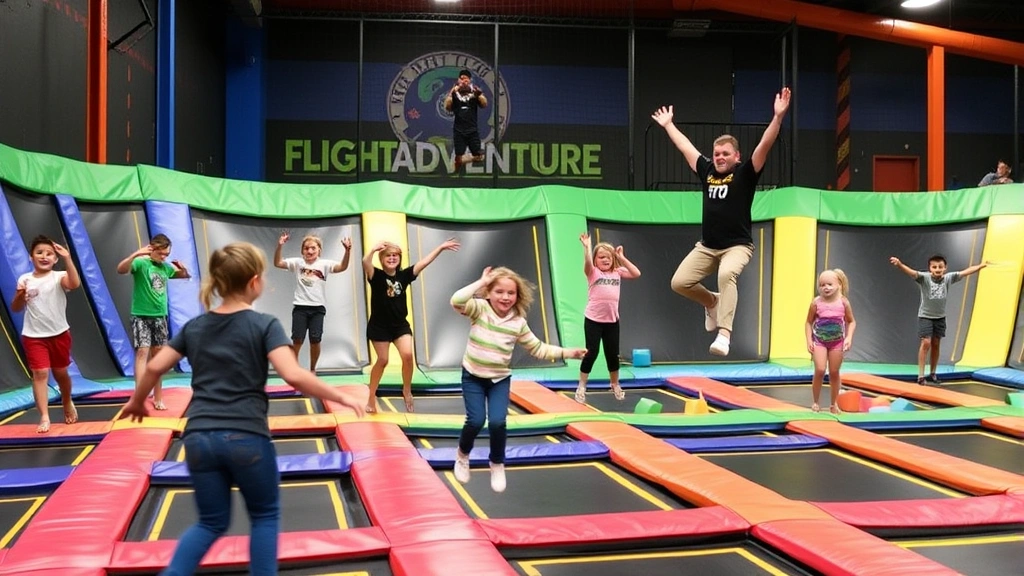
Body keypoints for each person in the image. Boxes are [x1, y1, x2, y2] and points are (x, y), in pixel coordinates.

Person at [119, 242, 364, 576]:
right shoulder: (264, 325)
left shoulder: (195, 327)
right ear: (254, 282)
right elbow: (293, 375)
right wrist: (341, 396)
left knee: (209, 523)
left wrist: (137, 400)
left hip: (199, 439)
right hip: (245, 436)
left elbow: (154, 367)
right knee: (264, 516)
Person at [651, 87, 791, 357]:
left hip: (737, 246)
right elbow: (685, 147)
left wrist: (778, 118)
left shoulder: (746, 173)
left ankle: (724, 334)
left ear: (736, 157)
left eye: (725, 154)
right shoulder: (707, 172)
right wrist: (669, 125)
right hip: (707, 246)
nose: (720, 158)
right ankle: (713, 302)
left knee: (726, 275)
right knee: (679, 282)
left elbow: (765, 145)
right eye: (716, 154)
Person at [451, 267, 587, 493]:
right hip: (473, 376)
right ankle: (462, 456)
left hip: (499, 379)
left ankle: (497, 463)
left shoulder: (518, 322)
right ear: (489, 293)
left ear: (517, 296)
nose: (505, 297)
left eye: (510, 293)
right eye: (499, 292)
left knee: (497, 422)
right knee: (475, 421)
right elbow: (456, 300)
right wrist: (481, 281)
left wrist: (568, 353)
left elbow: (538, 348)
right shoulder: (479, 309)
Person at [363, 238, 460, 413]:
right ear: (382, 258)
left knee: (408, 355)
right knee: (383, 360)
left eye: (395, 256)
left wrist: (440, 247)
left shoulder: (404, 276)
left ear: (399, 259)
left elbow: (424, 262)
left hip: (400, 325)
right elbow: (365, 262)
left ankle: (406, 389)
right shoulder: (375, 275)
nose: (392, 258)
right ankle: (371, 395)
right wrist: (373, 250)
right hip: (379, 327)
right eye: (388, 256)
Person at [12, 236, 82, 433]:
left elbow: (74, 283)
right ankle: (44, 415)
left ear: (55, 258)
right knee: (40, 373)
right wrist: (19, 296)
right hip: (33, 336)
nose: (44, 256)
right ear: (31, 257)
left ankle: (67, 401)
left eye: (49, 253)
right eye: (39, 253)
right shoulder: (25, 279)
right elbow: (16, 308)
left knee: (61, 373)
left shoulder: (58, 276)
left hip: (59, 333)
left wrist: (68, 258)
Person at [117, 234, 191, 410]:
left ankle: (158, 397)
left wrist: (184, 270)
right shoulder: (141, 263)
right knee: (142, 352)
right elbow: (121, 269)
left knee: (157, 356)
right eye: (161, 254)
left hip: (160, 316)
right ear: (152, 249)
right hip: (141, 315)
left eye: (166, 254)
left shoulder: (165, 267)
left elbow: (183, 276)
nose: (164, 257)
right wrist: (136, 254)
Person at [889, 255, 988, 385]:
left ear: (945, 268)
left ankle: (933, 373)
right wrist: (900, 264)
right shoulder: (924, 278)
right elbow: (911, 272)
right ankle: (920, 376)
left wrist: (980, 266)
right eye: (934, 267)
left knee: (936, 344)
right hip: (925, 316)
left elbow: (966, 272)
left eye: (940, 267)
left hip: (940, 317)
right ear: (930, 269)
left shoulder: (948, 278)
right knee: (926, 343)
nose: (937, 269)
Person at [574, 232, 641, 404]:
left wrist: (621, 257)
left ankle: (615, 384)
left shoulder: (617, 272)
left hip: (612, 321)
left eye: (609, 257)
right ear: (596, 260)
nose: (605, 260)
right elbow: (587, 263)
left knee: (612, 355)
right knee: (592, 353)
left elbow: (636, 273)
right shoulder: (593, 273)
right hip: (593, 321)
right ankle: (582, 386)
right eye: (601, 257)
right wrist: (587, 247)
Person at [273, 231, 352, 374]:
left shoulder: (325, 264)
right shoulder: (298, 263)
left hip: (318, 308)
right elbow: (278, 263)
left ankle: (313, 369)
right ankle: (293, 368)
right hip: (300, 307)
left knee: (315, 340)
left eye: (313, 248)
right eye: (306, 248)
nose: (309, 251)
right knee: (297, 339)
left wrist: (347, 251)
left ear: (319, 250)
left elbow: (342, 267)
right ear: (302, 251)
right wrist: (280, 246)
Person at [804, 269, 856, 414]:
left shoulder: (843, 303)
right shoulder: (816, 303)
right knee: (820, 369)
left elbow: (851, 322)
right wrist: (809, 340)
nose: (825, 287)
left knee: (834, 372)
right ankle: (815, 402)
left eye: (829, 284)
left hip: (837, 342)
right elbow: (808, 322)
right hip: (820, 341)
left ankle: (834, 404)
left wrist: (849, 338)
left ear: (839, 284)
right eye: (822, 285)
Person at [444, 69, 488, 169]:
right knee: (458, 158)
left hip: (472, 130)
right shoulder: (454, 92)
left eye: (466, 79)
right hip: (459, 130)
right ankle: (458, 162)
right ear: (458, 80)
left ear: (470, 80)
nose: (464, 81)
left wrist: (479, 95)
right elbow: (447, 107)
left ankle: (462, 161)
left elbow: (484, 104)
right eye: (462, 79)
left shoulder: (475, 90)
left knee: (480, 157)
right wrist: (452, 92)